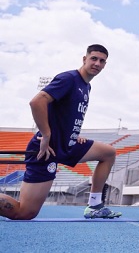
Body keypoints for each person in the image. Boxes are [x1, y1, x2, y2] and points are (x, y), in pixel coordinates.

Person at [0, 44, 122, 220]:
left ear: (105, 65)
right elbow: (37, 101)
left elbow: (64, 115)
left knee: (108, 153)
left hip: (67, 144)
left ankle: (95, 206)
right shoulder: (69, 79)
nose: (97, 63)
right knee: (24, 212)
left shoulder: (86, 86)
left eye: (102, 61)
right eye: (94, 58)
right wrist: (46, 134)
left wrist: (73, 134)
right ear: (84, 59)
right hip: (47, 149)